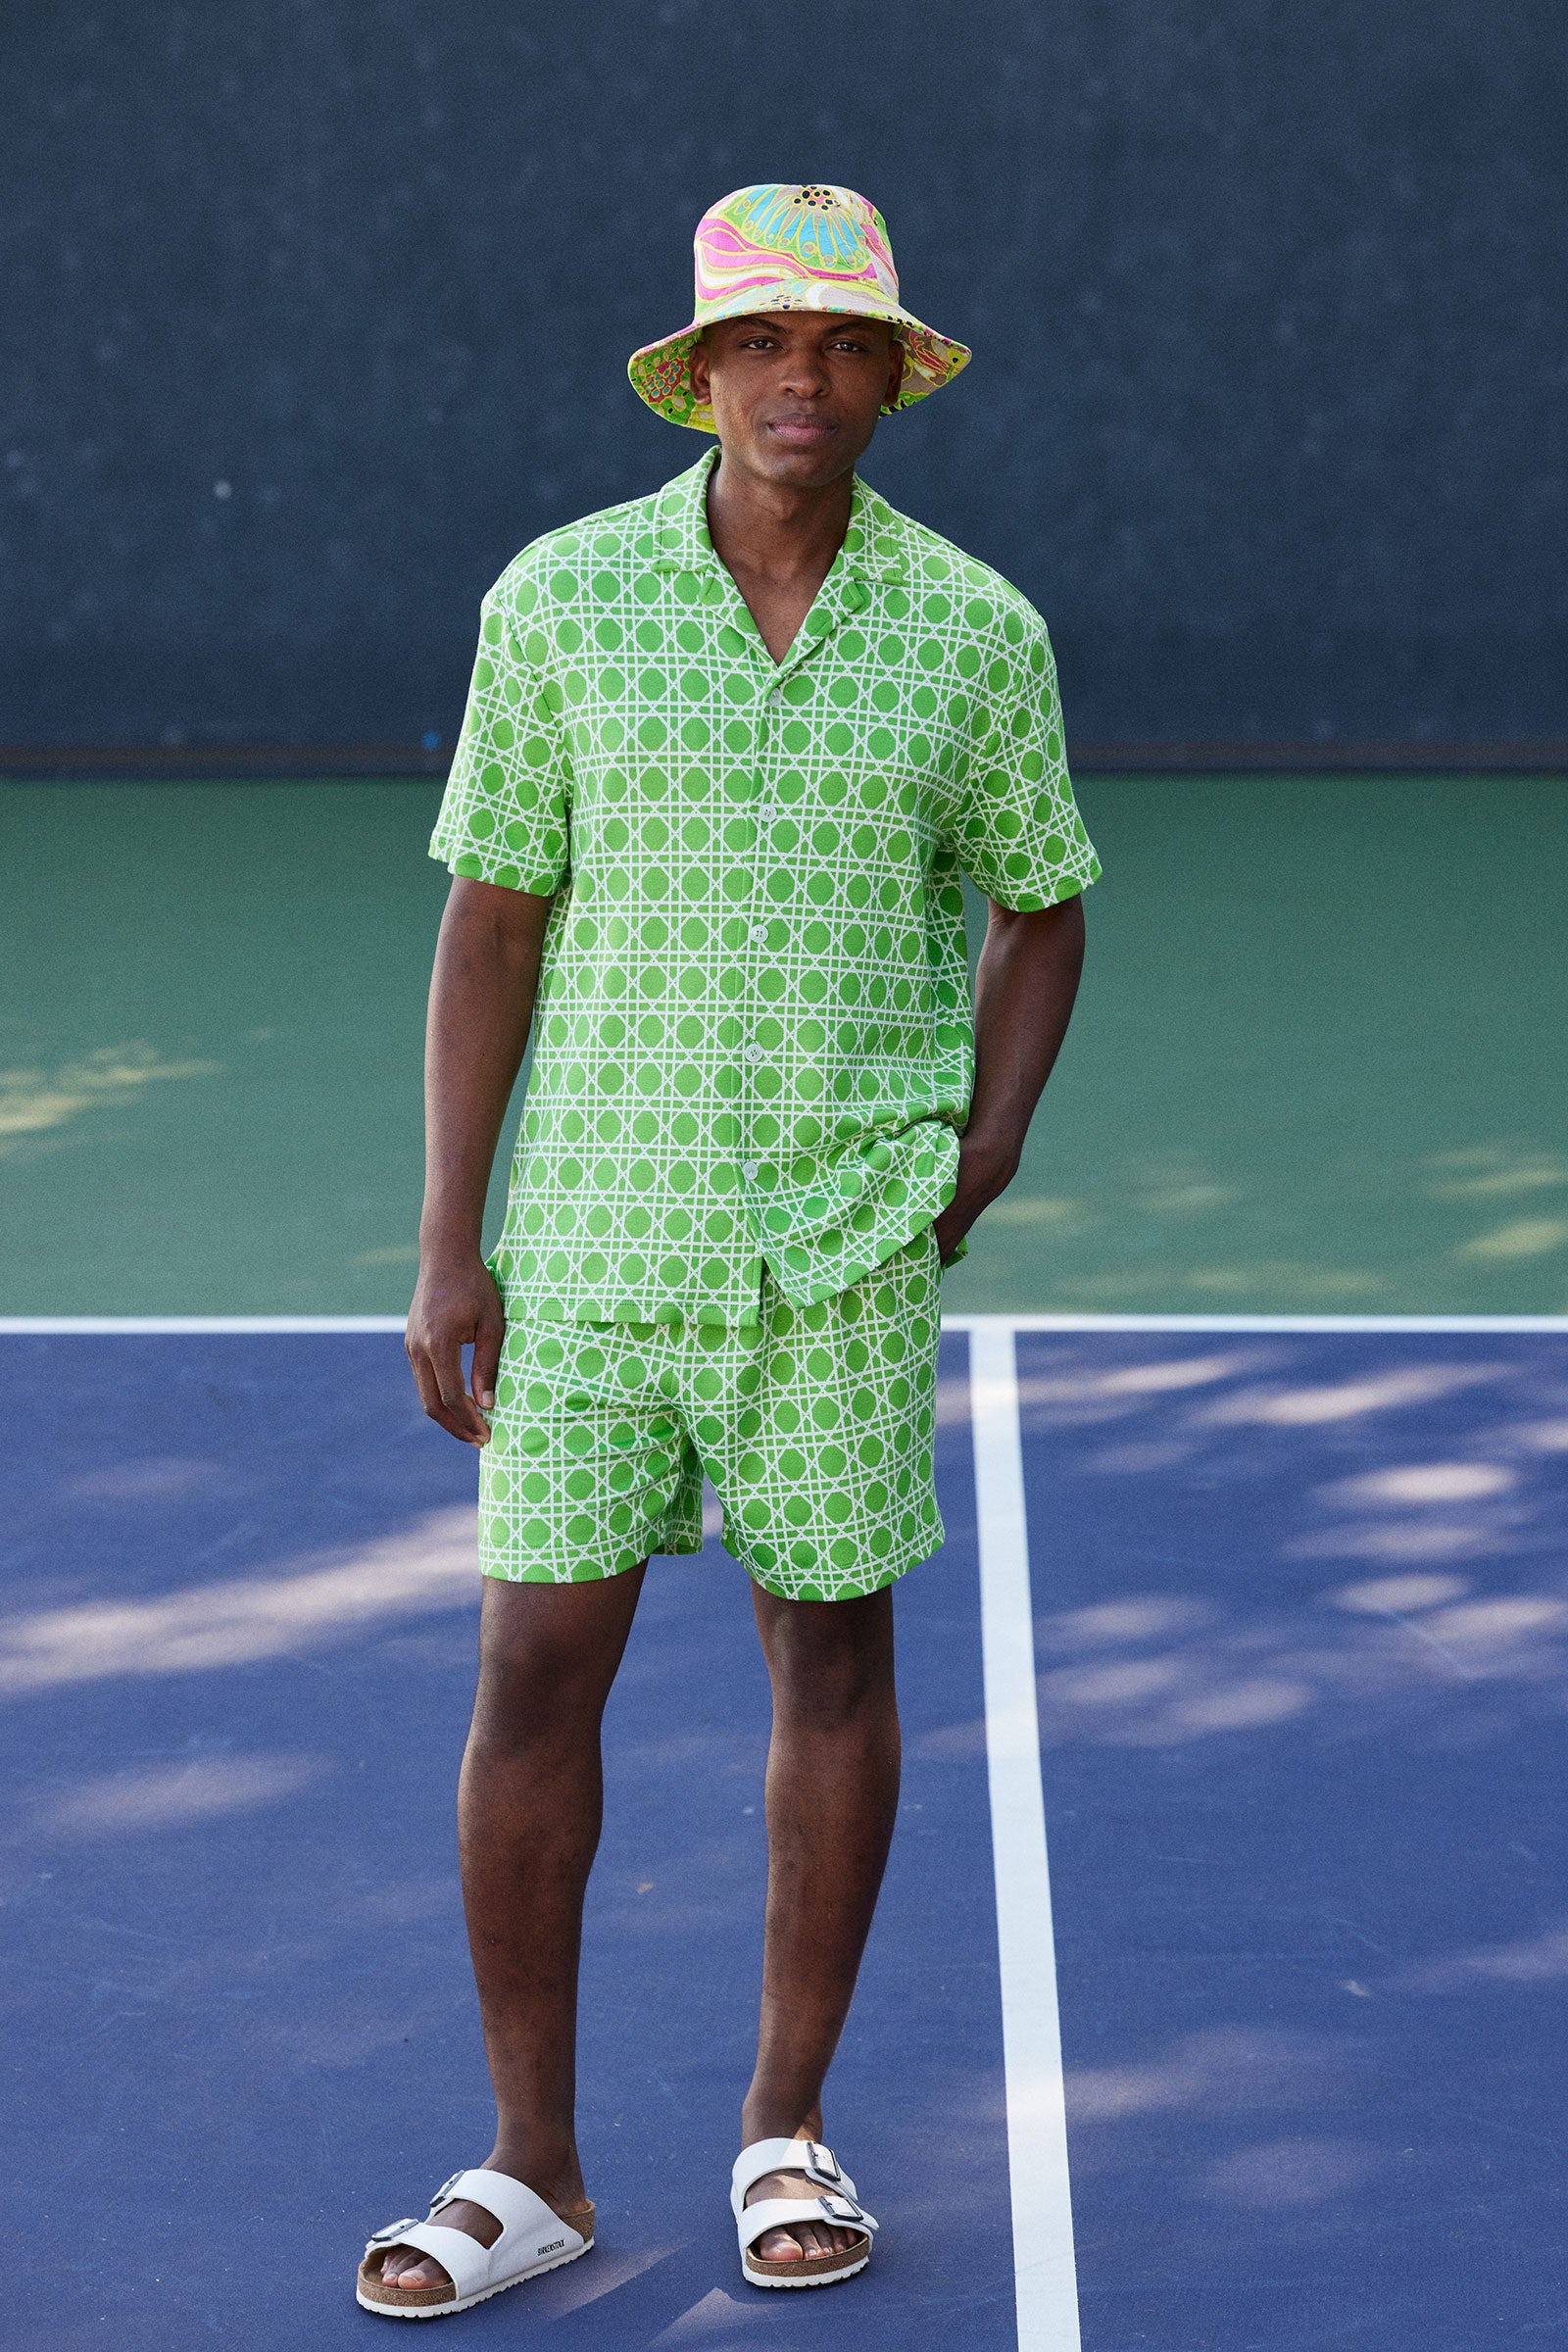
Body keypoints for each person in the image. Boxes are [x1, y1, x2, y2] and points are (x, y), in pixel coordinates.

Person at [356, 181, 1098, 2320]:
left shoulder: (975, 632)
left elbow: (1043, 899)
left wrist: (984, 1142)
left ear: (890, 378)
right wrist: (449, 1239)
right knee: (532, 1672)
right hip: (592, 1240)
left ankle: (787, 2125)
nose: (801, 378)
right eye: (760, 343)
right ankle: (529, 2167)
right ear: (697, 379)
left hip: (840, 1251)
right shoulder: (559, 600)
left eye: (842, 343)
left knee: (832, 1665)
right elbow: (489, 919)